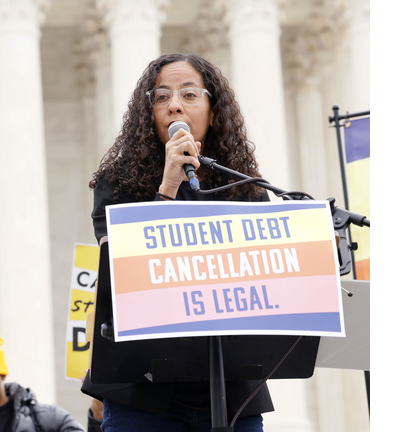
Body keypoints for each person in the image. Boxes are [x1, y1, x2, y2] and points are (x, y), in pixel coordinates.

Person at [85, 53, 273, 432]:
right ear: (147, 114)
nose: (174, 104)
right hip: (144, 395)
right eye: (161, 97)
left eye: (189, 94)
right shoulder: (117, 186)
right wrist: (168, 186)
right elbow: (128, 270)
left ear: (213, 111)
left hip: (232, 393)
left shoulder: (246, 188)